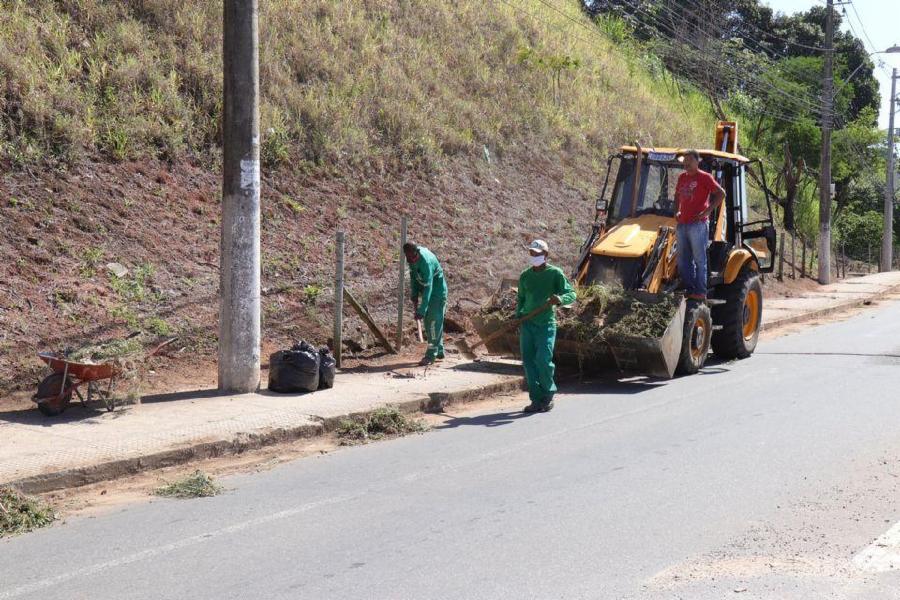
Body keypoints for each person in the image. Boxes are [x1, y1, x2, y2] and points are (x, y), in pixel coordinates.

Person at [516, 240, 576, 413]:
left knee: (543, 360)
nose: (534, 257)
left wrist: (560, 299)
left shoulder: (555, 273)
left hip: (545, 325)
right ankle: (536, 399)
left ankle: (548, 395)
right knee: (528, 362)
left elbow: (571, 293)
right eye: (532, 254)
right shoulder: (525, 275)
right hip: (527, 324)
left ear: (545, 255)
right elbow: (520, 298)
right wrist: (517, 316)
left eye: (537, 254)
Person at [674, 149, 726, 301]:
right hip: (682, 223)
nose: (687, 164)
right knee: (683, 259)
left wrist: (707, 211)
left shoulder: (705, 177)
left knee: (699, 259)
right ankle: (689, 290)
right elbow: (677, 195)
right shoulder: (682, 177)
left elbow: (721, 193)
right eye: (685, 161)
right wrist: (676, 212)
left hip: (698, 224)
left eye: (690, 161)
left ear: (698, 162)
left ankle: (700, 292)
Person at [404, 243, 448, 366]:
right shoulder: (411, 258)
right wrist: (414, 293)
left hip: (437, 292)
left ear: (416, 252)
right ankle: (439, 350)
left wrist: (422, 310)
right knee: (430, 323)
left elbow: (428, 287)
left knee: (433, 323)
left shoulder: (425, 261)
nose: (412, 261)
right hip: (427, 290)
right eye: (409, 259)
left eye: (413, 258)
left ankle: (430, 356)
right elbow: (414, 276)